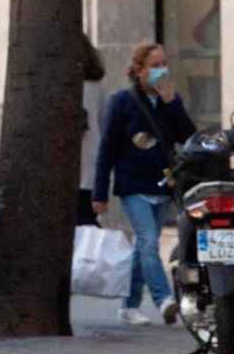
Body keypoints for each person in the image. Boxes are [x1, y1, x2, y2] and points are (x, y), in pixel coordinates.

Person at [93, 43, 196, 326]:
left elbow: (188, 136)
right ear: (139, 71)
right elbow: (107, 150)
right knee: (149, 242)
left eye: (164, 64)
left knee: (143, 246)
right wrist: (99, 191)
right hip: (133, 185)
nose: (161, 70)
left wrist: (172, 102)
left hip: (163, 184)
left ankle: (128, 305)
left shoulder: (169, 101)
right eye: (154, 65)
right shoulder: (121, 102)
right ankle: (164, 300)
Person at [78, 33, 105, 227]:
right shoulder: (96, 87)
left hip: (76, 166)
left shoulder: (75, 88)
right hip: (91, 165)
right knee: (87, 221)